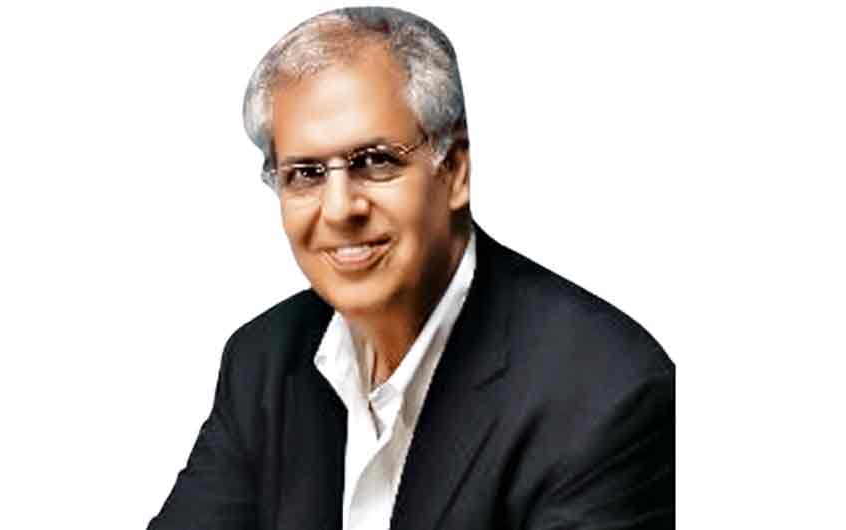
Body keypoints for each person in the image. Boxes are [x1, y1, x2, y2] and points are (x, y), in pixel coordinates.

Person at [148, 6, 674, 530]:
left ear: (455, 170)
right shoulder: (261, 361)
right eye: (305, 173)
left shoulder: (606, 389)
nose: (339, 209)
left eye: (376, 161)